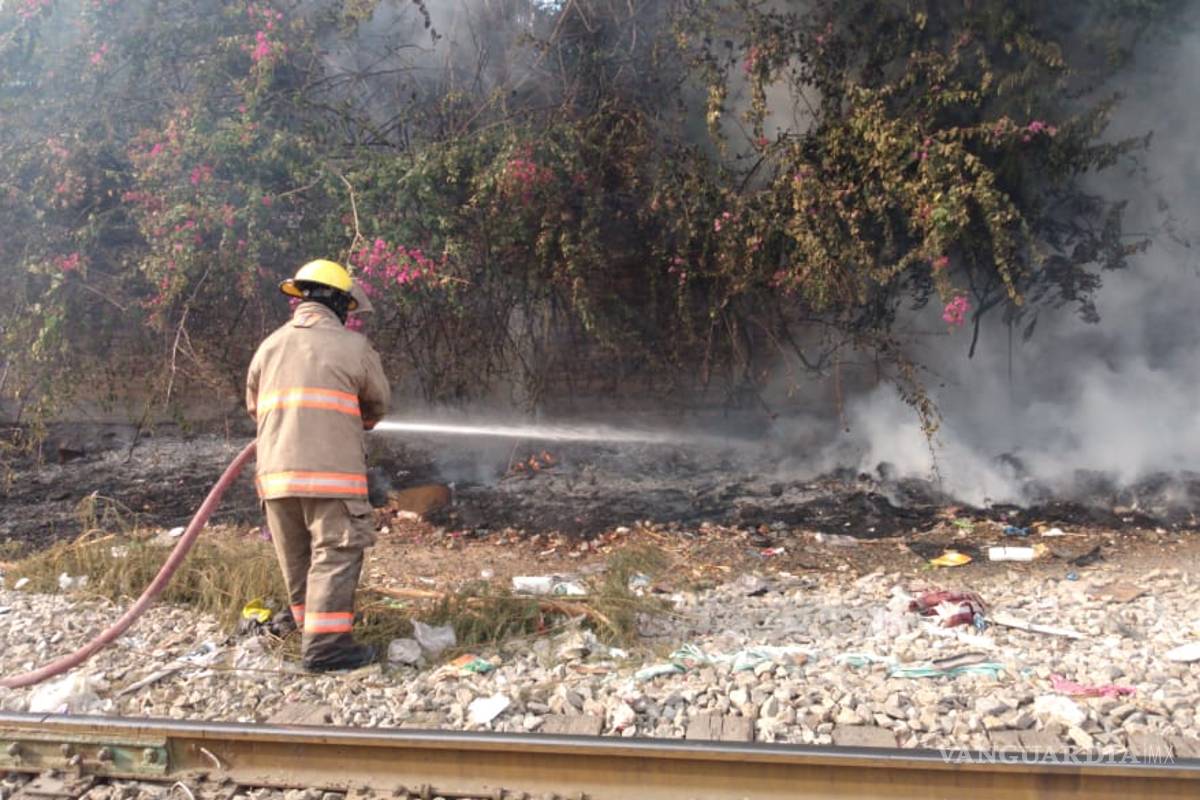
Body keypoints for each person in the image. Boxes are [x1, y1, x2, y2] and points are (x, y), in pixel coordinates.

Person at [246, 259, 390, 671]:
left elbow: (255, 407)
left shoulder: (269, 346)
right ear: (339, 303)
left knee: (297, 558)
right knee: (335, 554)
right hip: (333, 479)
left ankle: (308, 628)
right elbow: (376, 406)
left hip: (275, 479)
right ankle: (327, 649)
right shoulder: (354, 348)